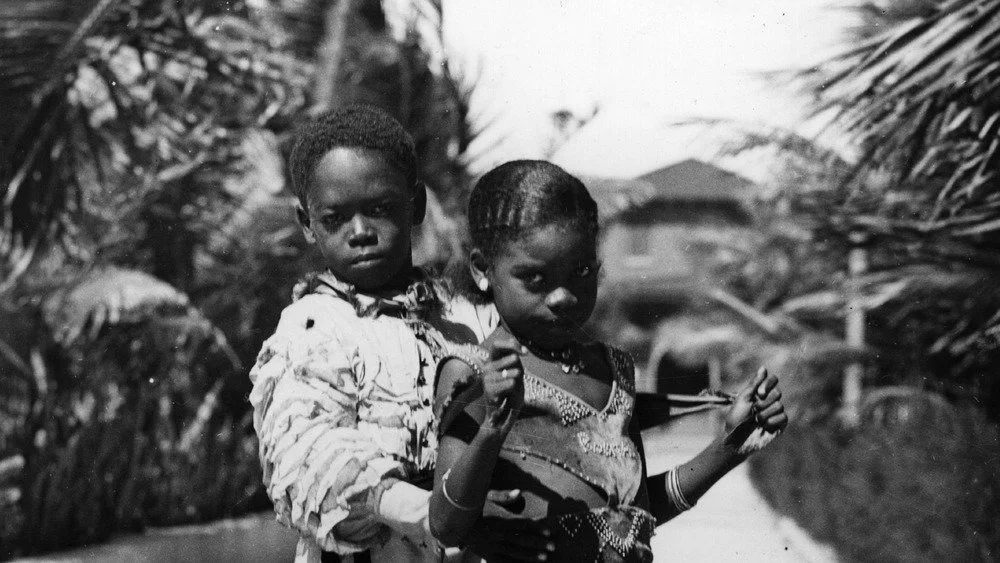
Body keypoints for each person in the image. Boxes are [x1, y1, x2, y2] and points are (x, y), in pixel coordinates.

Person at [429, 160, 788, 562]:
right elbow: (445, 526)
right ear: (483, 270)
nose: (563, 296)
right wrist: (493, 429)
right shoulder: (475, 374)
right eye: (535, 278)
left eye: (581, 272)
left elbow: (635, 515)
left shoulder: (614, 370)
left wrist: (730, 447)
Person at [249, 107, 550, 563]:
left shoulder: (468, 315)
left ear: (417, 204)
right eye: (335, 219)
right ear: (307, 223)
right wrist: (436, 510)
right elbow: (309, 458)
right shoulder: (311, 330)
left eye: (378, 210)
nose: (361, 232)